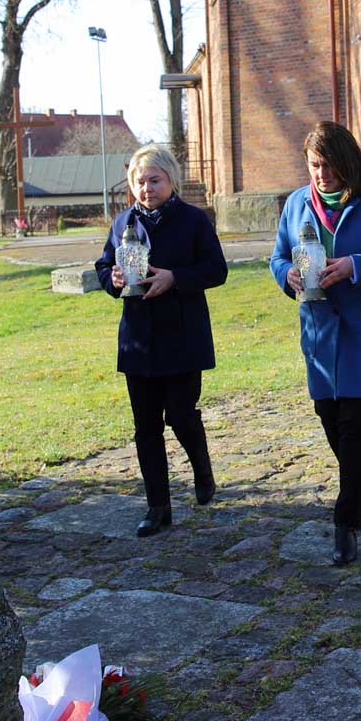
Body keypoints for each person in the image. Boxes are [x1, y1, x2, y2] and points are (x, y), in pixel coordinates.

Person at [270, 122, 361, 565]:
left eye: (329, 166)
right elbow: (277, 256)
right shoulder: (296, 203)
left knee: (356, 425)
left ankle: (346, 521)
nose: (322, 175)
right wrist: (286, 274)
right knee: (330, 419)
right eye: (314, 166)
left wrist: (356, 265)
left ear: (348, 162)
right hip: (321, 332)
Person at [95, 144, 228, 538]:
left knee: (181, 416)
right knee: (146, 427)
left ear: (171, 180)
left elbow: (216, 269)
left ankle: (202, 469)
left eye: (154, 180)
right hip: (139, 339)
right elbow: (104, 265)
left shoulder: (194, 220)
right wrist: (112, 279)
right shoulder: (122, 222)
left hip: (183, 336)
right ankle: (158, 507)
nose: (146, 188)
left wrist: (175, 277)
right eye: (140, 181)